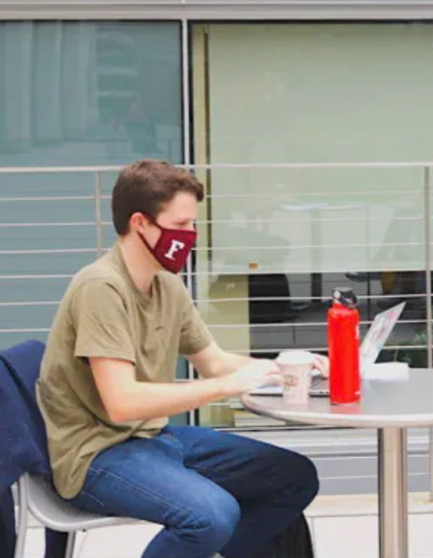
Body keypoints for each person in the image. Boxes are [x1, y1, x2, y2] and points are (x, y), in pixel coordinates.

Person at [37, 159, 328, 558]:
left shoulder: (166, 284)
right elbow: (122, 403)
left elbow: (214, 362)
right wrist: (226, 387)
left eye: (193, 225)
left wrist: (283, 367)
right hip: (97, 454)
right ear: (140, 223)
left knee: (294, 477)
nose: (189, 237)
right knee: (211, 516)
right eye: (179, 226)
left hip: (153, 437)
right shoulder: (101, 288)